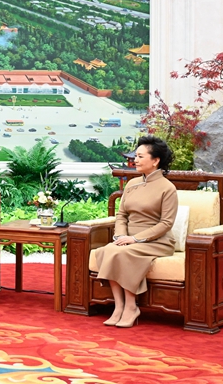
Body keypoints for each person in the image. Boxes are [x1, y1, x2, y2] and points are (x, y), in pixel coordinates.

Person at [93, 135, 177, 328]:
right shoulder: (131, 184)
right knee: (108, 250)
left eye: (140, 156)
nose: (135, 160)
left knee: (122, 253)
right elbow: (121, 214)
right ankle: (119, 306)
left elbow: (166, 223)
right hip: (127, 238)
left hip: (157, 241)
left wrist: (135, 239)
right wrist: (121, 235)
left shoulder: (168, 188)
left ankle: (131, 306)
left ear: (155, 161)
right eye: (135, 156)